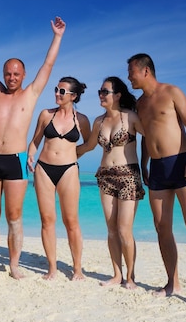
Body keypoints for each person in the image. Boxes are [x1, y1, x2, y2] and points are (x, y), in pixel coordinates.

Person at [0, 14, 66, 279]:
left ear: (24, 75)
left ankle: (15, 265)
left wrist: (57, 36)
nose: (11, 77)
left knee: (15, 216)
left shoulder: (31, 94)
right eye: (7, 73)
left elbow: (48, 64)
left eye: (16, 73)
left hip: (16, 160)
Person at [126, 53, 186, 313]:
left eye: (131, 72)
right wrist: (145, 163)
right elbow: (147, 136)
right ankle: (172, 282)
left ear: (145, 71)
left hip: (181, 163)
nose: (129, 77)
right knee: (161, 227)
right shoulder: (139, 104)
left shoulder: (171, 92)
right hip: (157, 169)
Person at [76, 76, 145, 289]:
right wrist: (59, 156)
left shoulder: (131, 117)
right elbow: (88, 146)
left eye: (105, 91)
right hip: (105, 176)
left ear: (117, 95)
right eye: (100, 91)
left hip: (128, 176)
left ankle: (131, 277)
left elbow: (152, 137)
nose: (101, 95)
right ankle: (117, 275)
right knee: (112, 229)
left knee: (124, 229)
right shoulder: (99, 121)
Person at [27, 77, 91, 280]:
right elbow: (36, 140)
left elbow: (89, 144)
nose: (57, 93)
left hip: (69, 170)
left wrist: (73, 154)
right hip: (44, 169)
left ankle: (78, 269)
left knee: (71, 221)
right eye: (56, 89)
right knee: (47, 220)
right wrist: (30, 155)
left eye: (61, 91)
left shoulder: (81, 120)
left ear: (73, 96)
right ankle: (52, 268)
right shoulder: (46, 115)